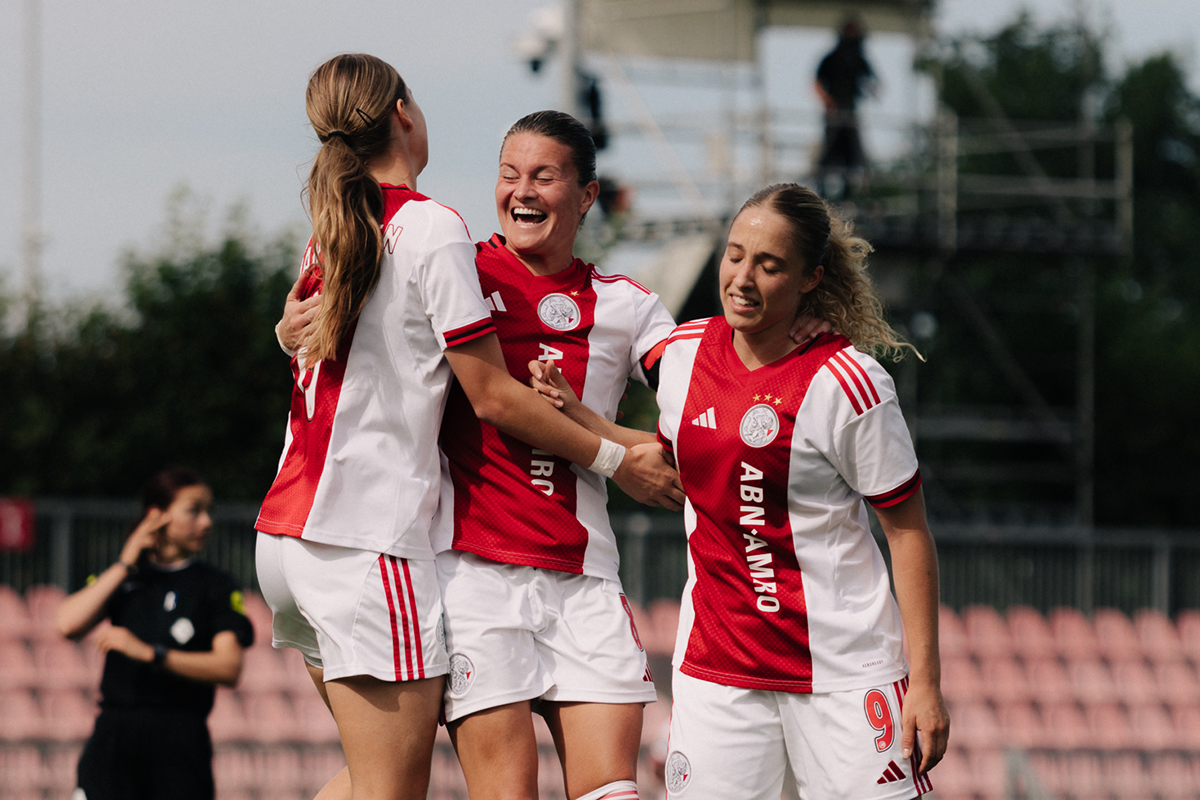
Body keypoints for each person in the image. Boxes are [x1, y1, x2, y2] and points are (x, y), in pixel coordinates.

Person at [255, 57, 682, 800]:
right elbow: (490, 395)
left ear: (587, 196)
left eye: (545, 175)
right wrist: (616, 455)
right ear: (405, 116)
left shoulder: (345, 227)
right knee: (395, 786)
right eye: (509, 170)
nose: (522, 188)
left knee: (373, 777)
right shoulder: (443, 243)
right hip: (408, 551)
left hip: (312, 535)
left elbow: (697, 416)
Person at [654, 183, 949, 799]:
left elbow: (909, 533)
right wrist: (578, 420)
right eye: (735, 255)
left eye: (769, 265)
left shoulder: (849, 384)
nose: (742, 277)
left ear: (811, 278)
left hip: (845, 676)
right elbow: (666, 462)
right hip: (719, 675)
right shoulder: (681, 357)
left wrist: (925, 682)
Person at [56, 467, 254, 800]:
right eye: (194, 510)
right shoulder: (127, 579)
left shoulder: (215, 586)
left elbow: (229, 667)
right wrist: (125, 561)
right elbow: (67, 624)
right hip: (113, 740)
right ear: (157, 516)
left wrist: (151, 653)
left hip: (179, 742)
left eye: (210, 512)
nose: (206, 522)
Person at [814, 18, 877, 199]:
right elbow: (816, 82)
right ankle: (824, 194)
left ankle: (847, 197)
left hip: (850, 111)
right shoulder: (832, 58)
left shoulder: (858, 58)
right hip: (835, 113)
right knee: (830, 154)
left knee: (852, 156)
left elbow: (872, 81)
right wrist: (828, 102)